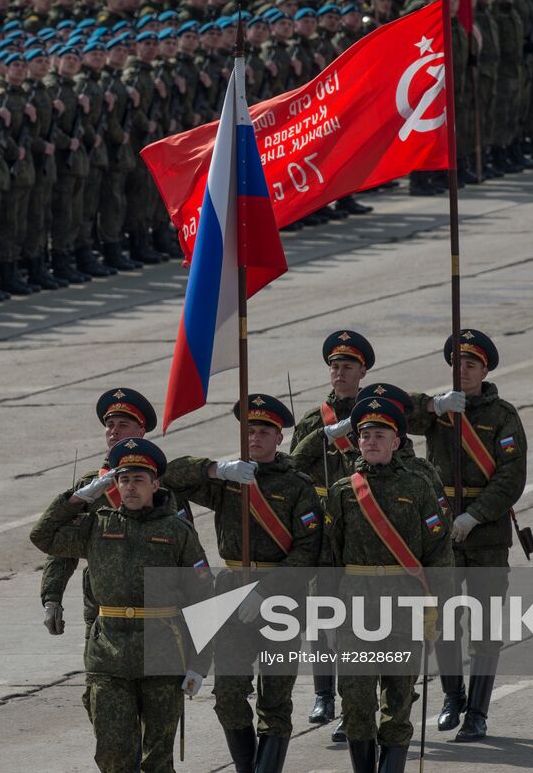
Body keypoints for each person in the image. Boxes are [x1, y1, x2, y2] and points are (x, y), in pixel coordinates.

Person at [30, 436, 210, 773]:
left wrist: (200, 663)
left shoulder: (177, 531)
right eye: (124, 480)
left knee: (157, 760)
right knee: (114, 754)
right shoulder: (97, 525)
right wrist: (78, 498)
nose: (130, 488)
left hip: (163, 655)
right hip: (109, 656)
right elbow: (44, 537)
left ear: (155, 484)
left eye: (138, 480)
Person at [163, 394, 320, 773]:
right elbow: (168, 475)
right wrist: (217, 470)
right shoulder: (230, 480)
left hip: (281, 598)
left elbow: (309, 553)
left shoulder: (298, 486)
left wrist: (266, 590)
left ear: (279, 438)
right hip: (231, 590)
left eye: (264, 431)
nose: (255, 438)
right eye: (248, 431)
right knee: (229, 694)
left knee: (274, 699)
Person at [321, 396, 454, 773]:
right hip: (355, 610)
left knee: (397, 701)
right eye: (365, 435)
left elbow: (439, 552)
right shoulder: (343, 491)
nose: (371, 441)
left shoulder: (418, 486)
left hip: (405, 606)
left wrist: (436, 611)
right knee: (356, 702)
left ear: (397, 441)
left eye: (380, 435)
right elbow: (330, 560)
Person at [408, 329, 527, 741]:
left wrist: (475, 516)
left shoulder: (504, 415)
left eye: (471, 364)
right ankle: (452, 696)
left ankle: (477, 712)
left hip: (486, 533)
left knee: (484, 626)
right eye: (458, 364)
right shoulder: (441, 412)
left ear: (486, 369)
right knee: (440, 620)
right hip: (443, 533)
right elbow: (392, 412)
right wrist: (433, 404)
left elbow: (511, 476)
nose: (463, 370)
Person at [288, 329, 374, 727]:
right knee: (321, 615)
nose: (339, 374)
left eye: (347, 367)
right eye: (334, 367)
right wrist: (325, 436)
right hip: (323, 528)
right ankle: (324, 695)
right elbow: (291, 472)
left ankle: (358, 698)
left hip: (363, 526)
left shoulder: (377, 414)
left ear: (363, 371)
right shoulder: (312, 419)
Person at [40, 387, 159, 638]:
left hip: (157, 608)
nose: (114, 431)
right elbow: (63, 548)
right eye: (110, 425)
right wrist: (52, 598)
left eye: (123, 424)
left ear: (141, 431)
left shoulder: (159, 483)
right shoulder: (90, 486)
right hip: (103, 610)